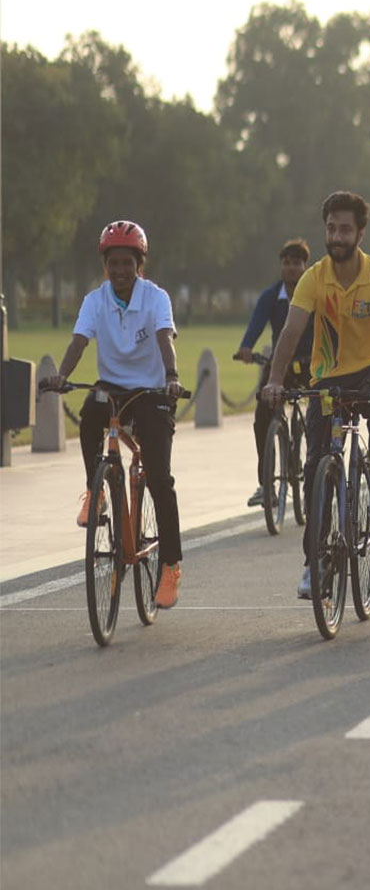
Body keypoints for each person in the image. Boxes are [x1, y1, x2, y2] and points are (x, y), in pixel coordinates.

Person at [262, 191, 370, 599]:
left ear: (361, 232)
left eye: (345, 229)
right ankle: (314, 563)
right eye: (331, 228)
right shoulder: (314, 277)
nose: (337, 236)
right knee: (315, 471)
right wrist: (275, 380)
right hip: (327, 377)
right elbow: (291, 333)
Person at [41, 221, 185, 608]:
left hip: (152, 390)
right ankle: (96, 490)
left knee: (159, 478)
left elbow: (164, 339)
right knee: (91, 415)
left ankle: (171, 564)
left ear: (139, 264)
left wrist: (171, 376)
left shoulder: (155, 298)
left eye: (127, 263)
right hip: (112, 387)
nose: (120, 271)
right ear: (105, 265)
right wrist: (63, 377)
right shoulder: (95, 300)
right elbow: (79, 341)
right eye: (113, 263)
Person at [233, 238, 313, 508]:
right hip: (281, 363)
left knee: (319, 412)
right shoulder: (272, 295)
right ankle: (266, 482)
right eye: (286, 263)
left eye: (296, 263)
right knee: (263, 412)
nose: (290, 268)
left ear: (306, 266)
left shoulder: (314, 293)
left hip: (313, 363)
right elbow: (256, 323)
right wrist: (246, 347)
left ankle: (316, 470)